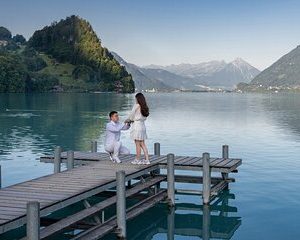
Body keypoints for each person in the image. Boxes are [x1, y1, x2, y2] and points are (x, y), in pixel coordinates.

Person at [126, 93, 150, 165]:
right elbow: (144, 117)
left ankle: (137, 159)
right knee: (142, 143)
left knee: (137, 144)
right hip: (142, 126)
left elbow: (131, 116)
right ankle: (147, 160)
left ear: (138, 99)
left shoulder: (136, 106)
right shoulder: (145, 107)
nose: (135, 100)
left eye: (136, 98)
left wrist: (127, 120)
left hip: (136, 126)